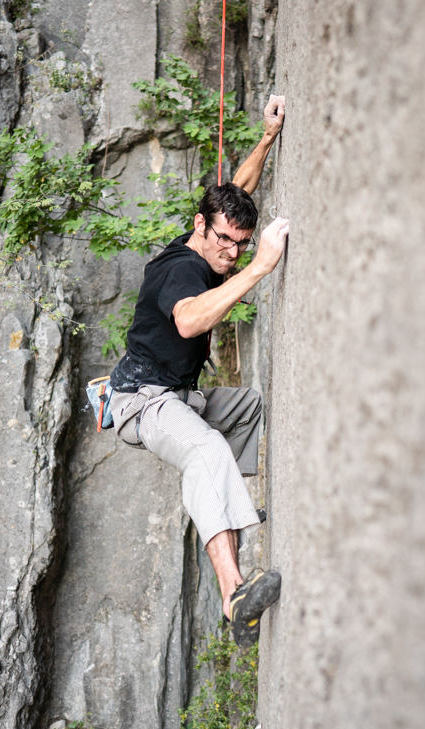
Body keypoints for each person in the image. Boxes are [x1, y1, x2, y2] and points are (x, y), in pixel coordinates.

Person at [107, 95, 289, 647]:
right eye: (224, 241)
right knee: (206, 452)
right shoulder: (183, 270)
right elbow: (188, 322)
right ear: (198, 228)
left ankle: (223, 506)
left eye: (241, 244)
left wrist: (266, 136)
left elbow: (239, 189)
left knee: (247, 407)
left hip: (178, 394)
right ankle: (234, 597)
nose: (231, 252)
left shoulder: (211, 234)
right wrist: (261, 266)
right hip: (142, 401)